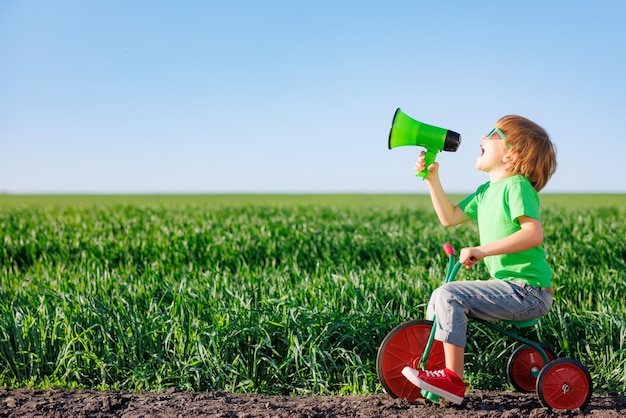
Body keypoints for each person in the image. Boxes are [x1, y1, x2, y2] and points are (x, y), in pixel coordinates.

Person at [401, 115, 557, 405]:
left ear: (512, 155)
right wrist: (432, 179)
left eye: (492, 133)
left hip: (529, 291)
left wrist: (483, 250)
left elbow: (533, 234)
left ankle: (452, 381)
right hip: (512, 288)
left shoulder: (516, 187)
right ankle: (437, 371)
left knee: (450, 295)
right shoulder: (486, 192)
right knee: (439, 297)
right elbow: (449, 217)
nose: (482, 138)